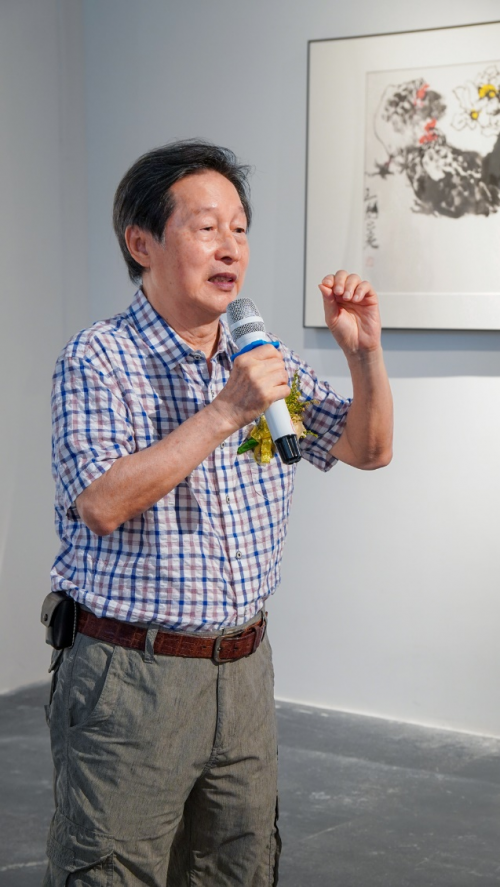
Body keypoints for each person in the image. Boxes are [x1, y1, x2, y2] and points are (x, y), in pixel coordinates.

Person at [43, 140, 393, 886]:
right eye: (206, 228)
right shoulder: (98, 359)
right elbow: (101, 503)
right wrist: (228, 409)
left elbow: (368, 449)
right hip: (130, 677)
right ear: (141, 243)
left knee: (239, 867)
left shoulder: (262, 360)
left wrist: (364, 354)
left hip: (243, 670)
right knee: (113, 870)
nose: (231, 247)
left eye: (240, 228)